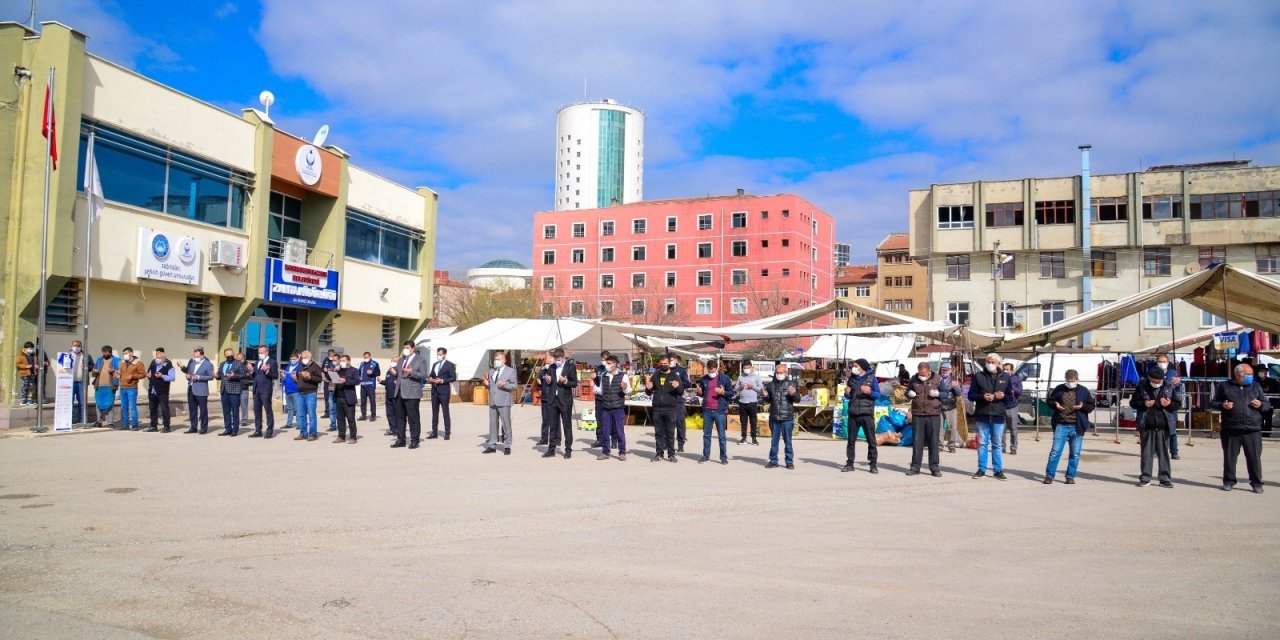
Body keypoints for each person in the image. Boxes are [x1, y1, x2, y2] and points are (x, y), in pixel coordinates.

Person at [1211, 363, 1266, 493]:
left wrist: (1260, 405)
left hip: (1252, 428)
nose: (1251, 376)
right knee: (1230, 457)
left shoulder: (1256, 386)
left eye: (1252, 374)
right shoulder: (1225, 386)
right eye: (1248, 374)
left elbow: (1267, 404)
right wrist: (1223, 405)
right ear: (1238, 375)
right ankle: (1229, 481)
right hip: (1231, 428)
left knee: (1254, 458)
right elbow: (1213, 403)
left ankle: (1256, 483)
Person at [1044, 370, 1095, 484]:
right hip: (1061, 425)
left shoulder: (1083, 390)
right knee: (1055, 451)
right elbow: (1050, 400)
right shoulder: (1059, 388)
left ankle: (1070, 476)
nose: (1070, 382)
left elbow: (1091, 406)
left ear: (1077, 379)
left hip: (1077, 426)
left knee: (1075, 453)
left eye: (1072, 380)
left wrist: (1083, 406)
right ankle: (1049, 475)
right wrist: (1055, 404)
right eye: (1068, 380)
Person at [1131, 366, 1179, 488]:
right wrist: (1144, 403)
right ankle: (1145, 477)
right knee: (1146, 453)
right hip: (1147, 424)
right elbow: (1133, 403)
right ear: (1149, 378)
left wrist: (1169, 404)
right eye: (1154, 381)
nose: (1157, 384)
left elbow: (1178, 404)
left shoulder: (1168, 387)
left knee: (1164, 453)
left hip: (1164, 426)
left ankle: (1164, 479)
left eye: (1159, 382)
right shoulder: (1141, 386)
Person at [967, 353, 1012, 480]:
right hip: (983, 414)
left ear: (998, 363)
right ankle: (981, 469)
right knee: (982, 443)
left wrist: (1003, 396)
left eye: (992, 362)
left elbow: (1011, 397)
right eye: (988, 361)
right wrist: (982, 396)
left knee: (997, 444)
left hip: (998, 414)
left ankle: (997, 470)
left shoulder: (1005, 377)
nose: (990, 364)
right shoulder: (978, 376)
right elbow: (970, 395)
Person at [841, 358, 880, 474]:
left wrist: (870, 392)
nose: (854, 367)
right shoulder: (852, 378)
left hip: (866, 413)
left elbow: (878, 394)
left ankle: (873, 464)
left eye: (856, 365)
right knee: (851, 441)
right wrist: (847, 393)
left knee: (871, 441)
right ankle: (849, 463)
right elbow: (849, 396)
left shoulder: (871, 378)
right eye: (853, 365)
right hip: (853, 413)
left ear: (862, 367)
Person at [905, 362, 943, 477]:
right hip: (918, 414)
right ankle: (915, 467)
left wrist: (938, 394)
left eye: (924, 374)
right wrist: (909, 393)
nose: (922, 376)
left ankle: (934, 467)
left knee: (933, 442)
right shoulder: (914, 379)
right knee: (917, 442)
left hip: (933, 414)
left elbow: (946, 393)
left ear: (929, 371)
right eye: (920, 374)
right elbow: (906, 392)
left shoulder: (938, 379)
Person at [762, 363, 801, 469]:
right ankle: (773, 460)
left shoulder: (792, 384)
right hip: (774, 417)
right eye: (777, 372)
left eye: (781, 372)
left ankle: (789, 462)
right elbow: (768, 400)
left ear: (786, 373)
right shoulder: (771, 385)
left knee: (788, 441)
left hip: (787, 417)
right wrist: (764, 395)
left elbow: (798, 399)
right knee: (774, 441)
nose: (779, 374)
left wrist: (794, 394)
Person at [645, 355, 683, 462]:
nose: (663, 366)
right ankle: (659, 454)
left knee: (670, 433)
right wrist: (648, 388)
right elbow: (649, 392)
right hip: (657, 408)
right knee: (658, 433)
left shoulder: (674, 375)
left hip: (670, 408)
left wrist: (678, 386)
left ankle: (671, 455)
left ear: (669, 364)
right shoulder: (655, 375)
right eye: (661, 364)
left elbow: (681, 392)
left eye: (665, 364)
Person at [392, 341, 429, 449]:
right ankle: (401, 439)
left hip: (412, 392)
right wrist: (395, 375)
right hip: (399, 391)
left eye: (407, 347)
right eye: (404, 347)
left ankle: (414, 440)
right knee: (400, 417)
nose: (405, 350)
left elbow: (423, 375)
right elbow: (399, 374)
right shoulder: (401, 359)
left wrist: (411, 372)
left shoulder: (421, 360)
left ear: (413, 349)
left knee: (413, 418)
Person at [542, 348, 578, 459]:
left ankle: (568, 450)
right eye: (555, 359)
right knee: (552, 425)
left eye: (558, 359)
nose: (557, 361)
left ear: (563, 357)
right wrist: (547, 380)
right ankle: (551, 449)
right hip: (553, 399)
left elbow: (574, 383)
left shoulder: (570, 367)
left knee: (567, 426)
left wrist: (565, 381)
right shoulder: (552, 367)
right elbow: (548, 381)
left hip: (565, 400)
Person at [696, 360, 735, 465]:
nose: (711, 372)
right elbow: (703, 393)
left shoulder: (724, 378)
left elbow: (731, 393)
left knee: (721, 435)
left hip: (720, 410)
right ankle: (705, 456)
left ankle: (723, 457)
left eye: (712, 370)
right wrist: (699, 392)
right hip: (707, 410)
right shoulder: (704, 379)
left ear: (716, 369)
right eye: (709, 370)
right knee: (706, 435)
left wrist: (723, 392)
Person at [482, 350, 519, 455]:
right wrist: (487, 384)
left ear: (504, 360)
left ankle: (507, 445)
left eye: (498, 359)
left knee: (506, 423)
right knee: (493, 424)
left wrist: (505, 385)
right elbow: (491, 385)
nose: (496, 361)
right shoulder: (492, 371)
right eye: (495, 359)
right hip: (493, 400)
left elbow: (514, 385)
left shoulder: (510, 371)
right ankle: (492, 445)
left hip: (504, 401)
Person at [592, 355, 629, 461]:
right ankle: (605, 452)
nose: (607, 365)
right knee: (605, 431)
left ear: (615, 364)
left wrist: (625, 388)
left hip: (618, 407)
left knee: (619, 431)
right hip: (606, 407)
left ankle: (622, 452)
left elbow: (629, 390)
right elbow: (601, 391)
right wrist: (593, 386)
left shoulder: (623, 375)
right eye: (607, 363)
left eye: (609, 363)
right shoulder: (604, 375)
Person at [1154, 354, 1185, 459]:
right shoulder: (1153, 372)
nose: (1162, 363)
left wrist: (1178, 382)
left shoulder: (1173, 373)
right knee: (1156, 429)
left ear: (1168, 363)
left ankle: (1174, 451)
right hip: (1157, 404)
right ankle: (1156, 451)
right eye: (1160, 361)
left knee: (1172, 429)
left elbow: (1178, 387)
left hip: (1170, 404)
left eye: (1164, 361)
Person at [214, 348, 248, 436]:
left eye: (231, 355)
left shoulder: (238, 364)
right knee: (226, 411)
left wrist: (234, 376)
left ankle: (235, 430)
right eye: (228, 355)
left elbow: (243, 375)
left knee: (235, 411)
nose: (230, 356)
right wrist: (216, 376)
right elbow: (220, 375)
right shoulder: (222, 364)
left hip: (234, 390)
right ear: (225, 355)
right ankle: (228, 429)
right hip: (224, 390)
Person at [292, 351, 323, 442]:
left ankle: (313, 434)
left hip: (310, 393)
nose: (303, 359)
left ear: (310, 358)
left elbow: (319, 379)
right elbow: (298, 378)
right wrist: (295, 378)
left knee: (311, 415)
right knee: (301, 415)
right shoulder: (300, 366)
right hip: (300, 393)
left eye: (305, 358)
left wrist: (309, 377)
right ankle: (303, 433)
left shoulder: (315, 367)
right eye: (302, 358)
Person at [182, 348, 214, 434]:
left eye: (197, 356)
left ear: (202, 355)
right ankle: (193, 427)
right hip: (191, 388)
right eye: (194, 356)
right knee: (192, 410)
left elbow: (211, 377)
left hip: (201, 390)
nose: (196, 357)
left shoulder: (208, 364)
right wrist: (188, 376)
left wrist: (199, 377)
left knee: (203, 410)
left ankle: (204, 428)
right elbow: (189, 373)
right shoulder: (192, 363)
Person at [427, 346, 456, 440]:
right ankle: (434, 432)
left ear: (444, 354)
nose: (438, 356)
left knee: (445, 412)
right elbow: (431, 375)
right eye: (437, 354)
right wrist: (430, 379)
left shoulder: (449, 365)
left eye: (440, 354)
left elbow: (453, 378)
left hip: (444, 391)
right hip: (434, 391)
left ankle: (447, 433)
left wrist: (442, 381)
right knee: (434, 412)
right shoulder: (435, 364)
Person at [249, 346, 278, 438]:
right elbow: (256, 376)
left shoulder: (272, 362)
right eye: (259, 352)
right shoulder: (258, 362)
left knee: (268, 410)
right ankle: (258, 430)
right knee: (257, 411)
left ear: (267, 352)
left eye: (262, 352)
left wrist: (267, 371)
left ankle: (269, 431)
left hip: (265, 389)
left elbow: (275, 376)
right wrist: (251, 371)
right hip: (256, 389)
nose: (260, 354)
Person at [145, 348, 175, 432]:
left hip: (162, 390)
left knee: (164, 408)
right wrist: (149, 375)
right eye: (156, 356)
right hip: (152, 389)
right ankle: (153, 426)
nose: (156, 358)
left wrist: (162, 376)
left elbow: (172, 378)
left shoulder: (169, 365)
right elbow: (150, 372)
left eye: (158, 356)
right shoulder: (153, 363)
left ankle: (166, 426)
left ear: (163, 357)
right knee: (152, 408)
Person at [331, 354, 359, 443]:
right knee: (340, 418)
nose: (342, 362)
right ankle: (341, 436)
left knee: (350, 418)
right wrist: (334, 371)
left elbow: (357, 381)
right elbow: (329, 377)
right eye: (341, 361)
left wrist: (345, 381)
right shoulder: (338, 370)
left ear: (348, 361)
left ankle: (353, 437)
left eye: (344, 360)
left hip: (348, 398)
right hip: (338, 397)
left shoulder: (354, 370)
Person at [116, 347, 145, 430]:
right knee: (124, 407)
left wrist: (133, 376)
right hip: (122, 387)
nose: (124, 355)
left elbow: (143, 374)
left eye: (126, 353)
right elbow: (120, 373)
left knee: (132, 407)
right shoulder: (121, 363)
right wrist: (118, 375)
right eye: (124, 354)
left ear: (131, 353)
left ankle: (135, 425)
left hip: (132, 387)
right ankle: (125, 424)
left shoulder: (138, 363)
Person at [91, 345, 120, 428]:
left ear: (111, 352)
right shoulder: (99, 359)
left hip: (110, 385)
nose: (105, 354)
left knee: (110, 404)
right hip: (99, 385)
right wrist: (94, 371)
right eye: (104, 352)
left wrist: (114, 370)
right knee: (98, 404)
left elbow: (120, 372)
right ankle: (99, 421)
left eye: (107, 352)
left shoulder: (116, 360)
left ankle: (110, 422)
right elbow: (94, 371)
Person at [735, 360, 762, 445]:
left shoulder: (756, 377)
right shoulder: (740, 377)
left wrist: (753, 386)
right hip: (742, 402)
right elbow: (735, 389)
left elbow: (761, 389)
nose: (746, 369)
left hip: (752, 402)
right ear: (742, 368)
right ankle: (743, 438)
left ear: (751, 367)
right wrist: (740, 387)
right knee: (743, 421)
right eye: (745, 368)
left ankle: (754, 438)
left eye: (748, 368)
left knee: (753, 421)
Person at [938, 361, 963, 452]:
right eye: (943, 369)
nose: (944, 371)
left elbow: (959, 394)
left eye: (946, 370)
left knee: (952, 427)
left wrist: (956, 387)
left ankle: (951, 445)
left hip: (951, 406)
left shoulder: (954, 380)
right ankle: (939, 445)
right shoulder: (937, 379)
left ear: (950, 371)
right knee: (940, 427)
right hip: (939, 406)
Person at [670, 354, 692, 452]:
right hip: (668, 399)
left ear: (676, 360)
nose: (670, 361)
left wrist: (679, 384)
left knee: (679, 421)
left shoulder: (681, 370)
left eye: (672, 360)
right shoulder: (664, 371)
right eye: (669, 360)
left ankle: (680, 444)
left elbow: (688, 384)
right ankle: (668, 443)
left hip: (679, 399)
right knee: (668, 422)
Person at [590, 350, 611, 448]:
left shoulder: (612, 368)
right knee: (599, 419)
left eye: (606, 359)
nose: (604, 361)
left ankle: (613, 439)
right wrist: (592, 379)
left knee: (610, 419)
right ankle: (599, 439)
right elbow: (593, 379)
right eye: (603, 359)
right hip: (599, 397)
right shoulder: (598, 368)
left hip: (609, 397)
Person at [1001, 362, 1023, 455]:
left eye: (1007, 369)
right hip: (1002, 406)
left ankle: (1013, 447)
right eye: (1004, 369)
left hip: (1012, 406)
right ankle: (1002, 447)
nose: (1005, 371)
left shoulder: (1016, 379)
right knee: (1002, 429)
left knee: (1013, 429)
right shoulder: (1000, 378)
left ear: (1011, 370)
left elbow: (1019, 391)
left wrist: (1011, 387)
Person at [67, 339, 89, 424]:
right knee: (69, 401)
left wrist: (87, 366)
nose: (76, 347)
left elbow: (91, 365)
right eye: (74, 345)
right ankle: (70, 419)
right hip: (70, 382)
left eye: (78, 346)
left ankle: (82, 419)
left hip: (81, 382)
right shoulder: (67, 355)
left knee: (82, 402)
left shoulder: (86, 356)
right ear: (72, 346)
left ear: (81, 347)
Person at [537, 353, 556, 446]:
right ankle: (544, 438)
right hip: (544, 398)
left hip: (554, 398)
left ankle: (555, 438)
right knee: (545, 419)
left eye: (549, 361)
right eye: (546, 362)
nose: (547, 363)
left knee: (554, 419)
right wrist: (539, 383)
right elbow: (540, 384)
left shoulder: (556, 371)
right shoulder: (542, 371)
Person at [1254, 366, 1278, 438]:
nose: (1262, 372)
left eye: (1264, 371)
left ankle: (1267, 433)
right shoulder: (1255, 381)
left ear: (1266, 372)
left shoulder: (1272, 381)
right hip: (1257, 403)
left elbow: (1276, 391)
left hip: (1269, 403)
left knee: (1268, 418)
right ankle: (1259, 431)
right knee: (1259, 417)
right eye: (1261, 371)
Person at [16, 341, 41, 406]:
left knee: (31, 386)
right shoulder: (21, 355)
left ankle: (30, 400)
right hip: (24, 373)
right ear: (25, 348)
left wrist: (36, 366)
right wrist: (25, 366)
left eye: (32, 348)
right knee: (25, 386)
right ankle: (24, 400)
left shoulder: (33, 354)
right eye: (29, 348)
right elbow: (18, 364)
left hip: (32, 372)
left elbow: (35, 362)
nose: (31, 350)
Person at [381, 359, 402, 437]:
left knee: (397, 413)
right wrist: (381, 381)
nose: (392, 362)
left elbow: (402, 380)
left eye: (394, 361)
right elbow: (387, 382)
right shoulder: (389, 371)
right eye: (392, 360)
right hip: (388, 395)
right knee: (389, 414)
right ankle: (392, 429)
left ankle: (398, 429)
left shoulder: (399, 370)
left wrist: (396, 374)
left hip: (396, 395)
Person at [358, 351, 381, 422]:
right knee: (363, 401)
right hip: (362, 385)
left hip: (370, 385)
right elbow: (359, 373)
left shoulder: (374, 363)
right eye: (364, 357)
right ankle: (363, 415)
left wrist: (372, 372)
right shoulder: (362, 364)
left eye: (367, 357)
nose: (365, 358)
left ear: (370, 357)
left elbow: (378, 373)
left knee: (372, 401)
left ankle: (373, 415)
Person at [282, 352, 302, 429]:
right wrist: (283, 377)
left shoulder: (299, 368)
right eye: (291, 359)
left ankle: (299, 424)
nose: (292, 360)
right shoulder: (288, 367)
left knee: (297, 409)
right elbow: (285, 379)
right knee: (290, 408)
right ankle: (288, 423)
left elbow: (301, 380)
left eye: (294, 359)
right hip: (288, 390)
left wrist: (295, 379)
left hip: (296, 391)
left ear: (297, 359)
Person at [321, 349, 338, 422]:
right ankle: (327, 412)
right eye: (329, 355)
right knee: (327, 396)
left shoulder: (336, 361)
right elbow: (322, 368)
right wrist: (324, 370)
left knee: (334, 397)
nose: (331, 356)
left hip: (334, 381)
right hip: (327, 381)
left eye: (332, 355)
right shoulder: (326, 359)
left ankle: (335, 412)